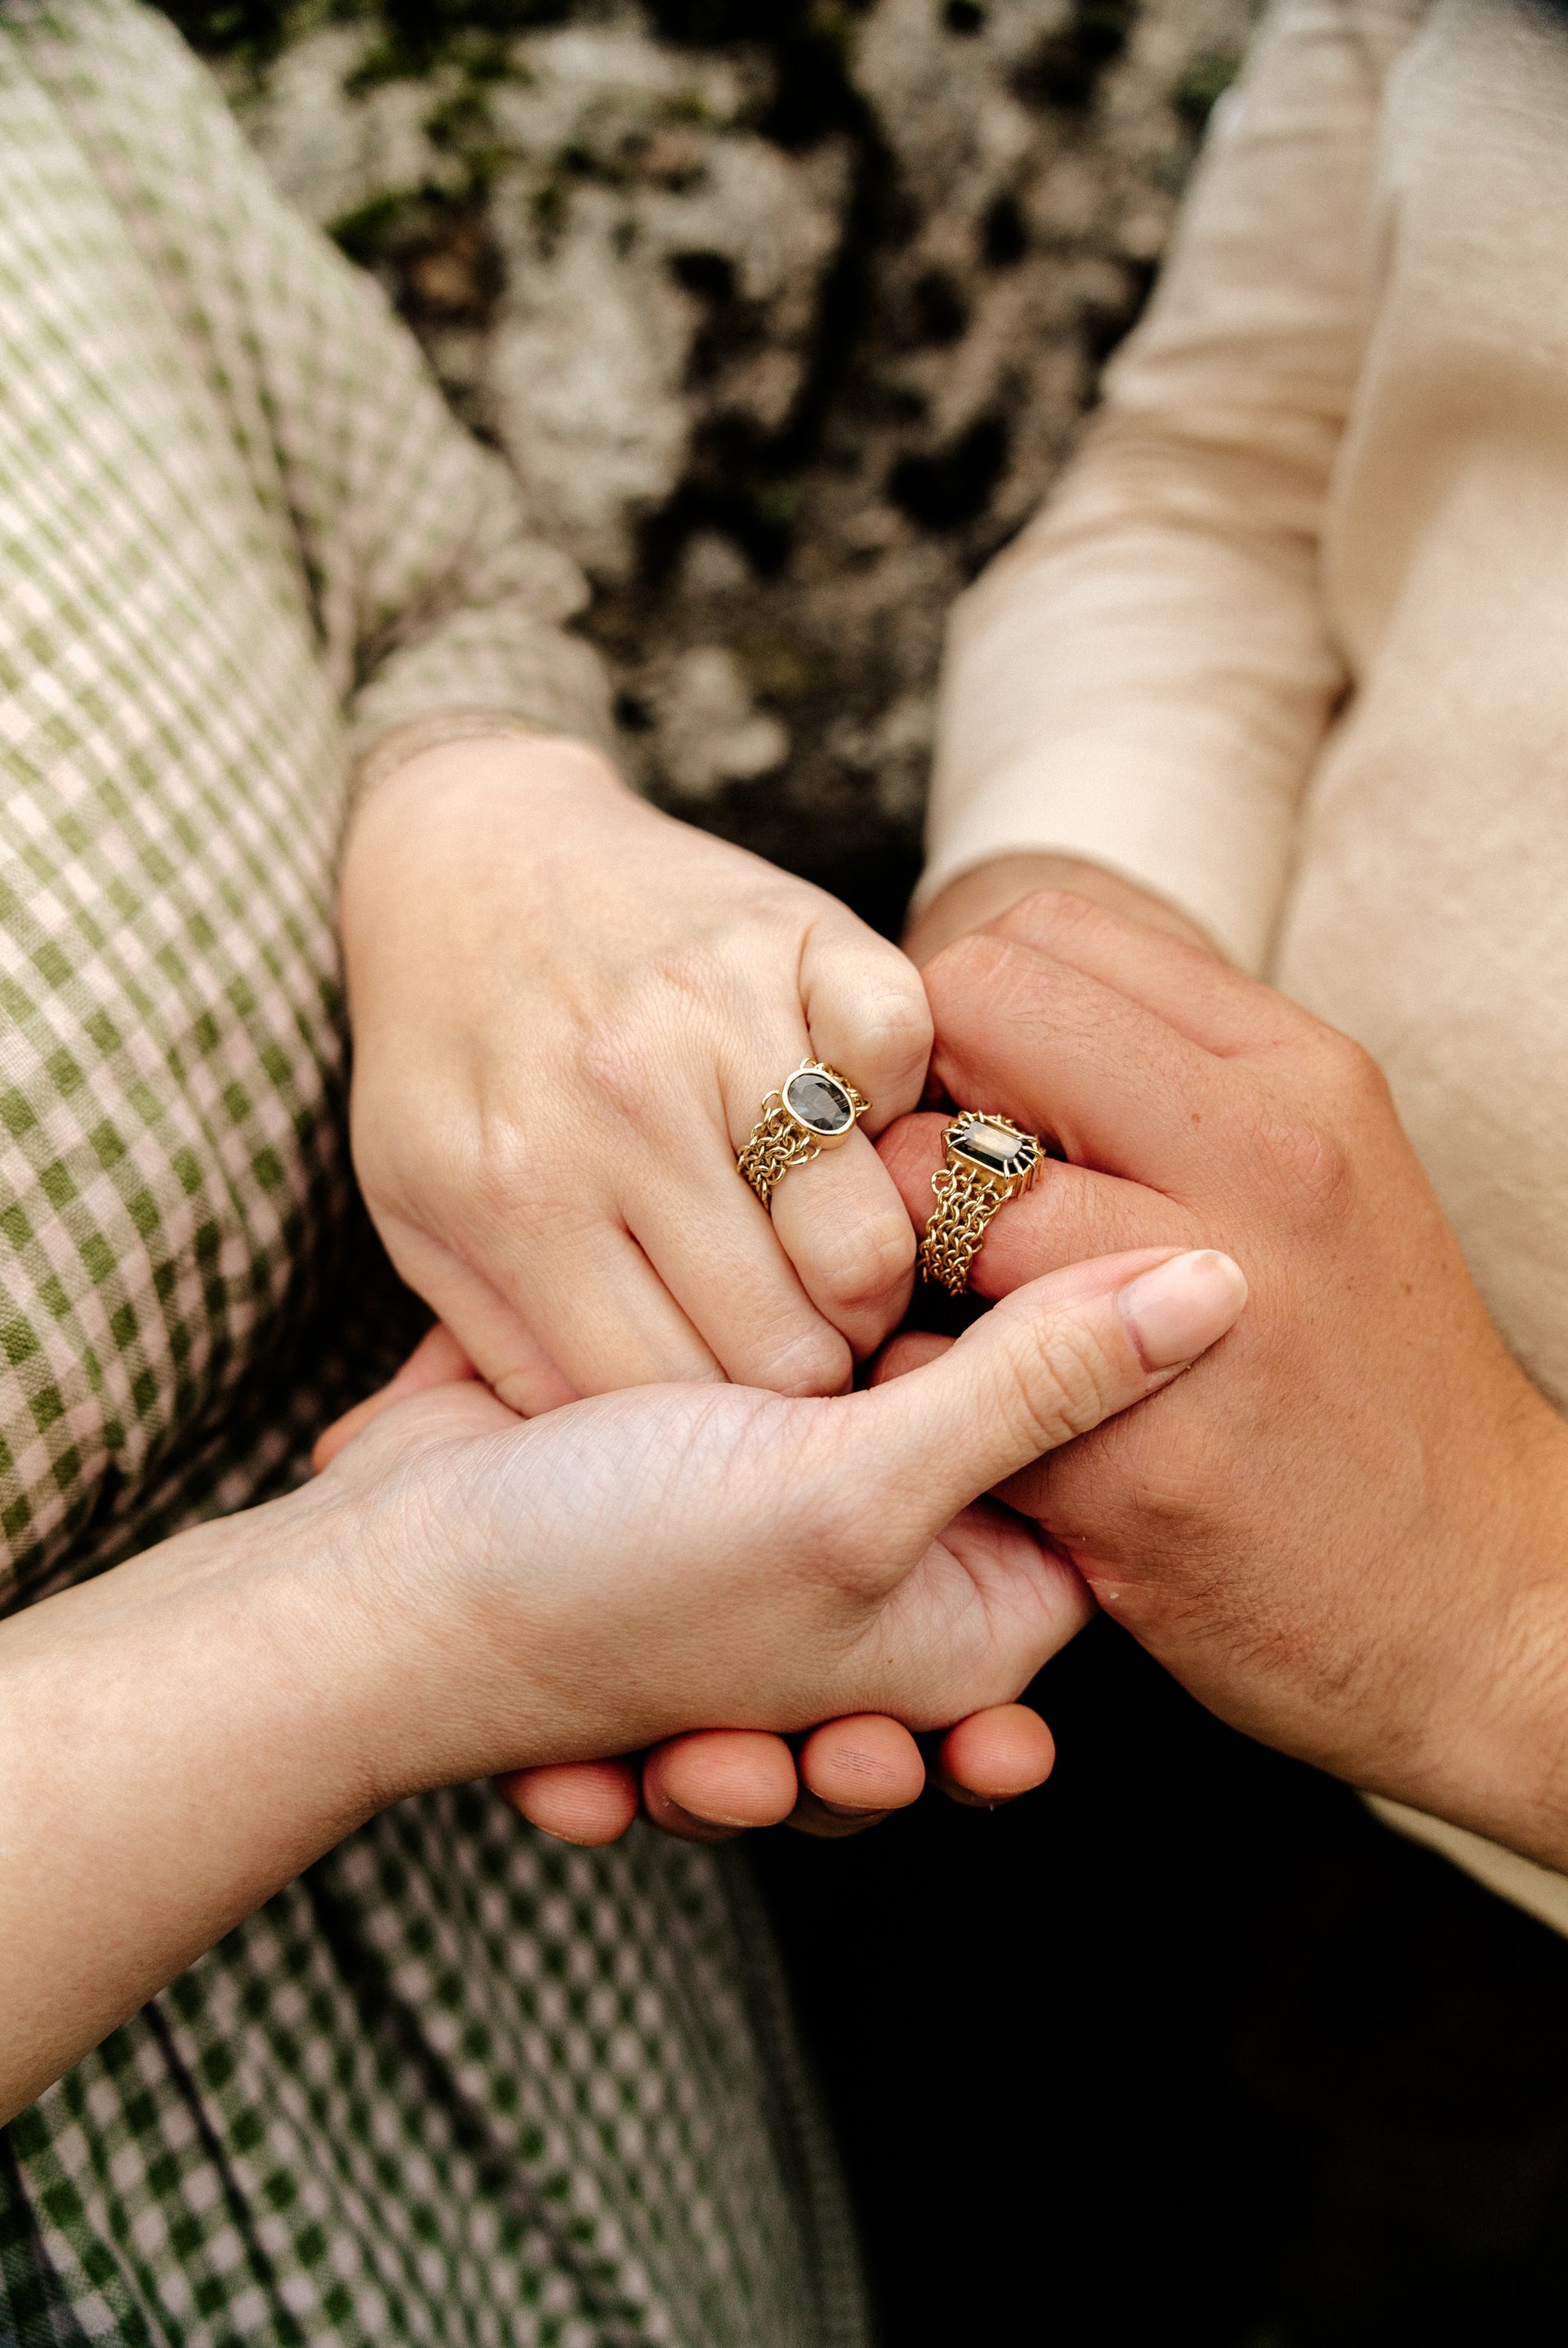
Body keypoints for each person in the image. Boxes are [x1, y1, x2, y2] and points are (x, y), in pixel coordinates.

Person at [0, 1, 1250, 2335]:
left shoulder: (48, 67)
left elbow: (425, 583)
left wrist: (483, 817)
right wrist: (375, 1631)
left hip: (574, 2018)